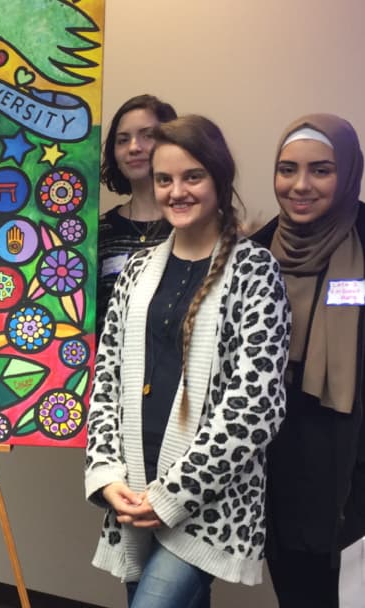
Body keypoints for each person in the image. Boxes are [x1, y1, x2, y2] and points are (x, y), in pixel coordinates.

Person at [85, 115, 290, 607]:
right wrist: (107, 474)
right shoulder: (138, 268)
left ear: (220, 179)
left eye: (192, 176)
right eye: (164, 179)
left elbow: (257, 406)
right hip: (134, 488)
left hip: (208, 501)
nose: (177, 191)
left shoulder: (255, 269)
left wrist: (173, 494)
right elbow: (107, 378)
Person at [251, 114, 365, 608]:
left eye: (320, 170)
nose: (300, 185)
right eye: (287, 169)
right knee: (297, 592)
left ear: (348, 174)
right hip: (280, 455)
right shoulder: (255, 252)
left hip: (352, 459)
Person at [97, 94, 177, 334]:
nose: (134, 147)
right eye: (123, 140)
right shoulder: (98, 233)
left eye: (147, 136)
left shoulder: (192, 226)